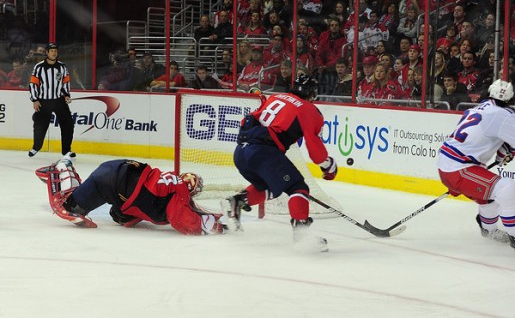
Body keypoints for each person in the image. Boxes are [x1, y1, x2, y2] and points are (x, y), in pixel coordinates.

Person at [221, 75, 338, 252]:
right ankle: (302, 235)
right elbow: (315, 151)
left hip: (241, 152)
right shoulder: (309, 110)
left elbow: (249, 120)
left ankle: (237, 201)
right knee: (298, 188)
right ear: (312, 93)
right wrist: (328, 166)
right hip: (263, 152)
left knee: (270, 186)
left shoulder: (275, 98)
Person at [35, 158, 226, 235]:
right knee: (69, 208)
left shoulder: (171, 181)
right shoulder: (180, 192)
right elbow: (182, 220)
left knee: (78, 204)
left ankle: (66, 168)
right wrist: (214, 227)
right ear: (191, 190)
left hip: (117, 171)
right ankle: (60, 170)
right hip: (117, 184)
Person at [437, 78, 515, 249]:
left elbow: (498, 139)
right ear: (509, 100)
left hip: (450, 165)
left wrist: (506, 153)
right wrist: (507, 153)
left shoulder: (477, 109)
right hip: (460, 168)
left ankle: (489, 231)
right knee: (508, 189)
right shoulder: (504, 115)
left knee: (491, 196)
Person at [28, 43, 75, 158]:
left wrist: (66, 95)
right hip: (44, 101)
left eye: (55, 51)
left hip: (59, 101)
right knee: (40, 125)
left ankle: (66, 151)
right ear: (47, 53)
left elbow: (65, 82)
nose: (54, 53)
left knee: (68, 124)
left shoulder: (62, 67)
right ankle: (36, 147)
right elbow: (33, 84)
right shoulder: (39, 67)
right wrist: (35, 99)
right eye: (51, 51)